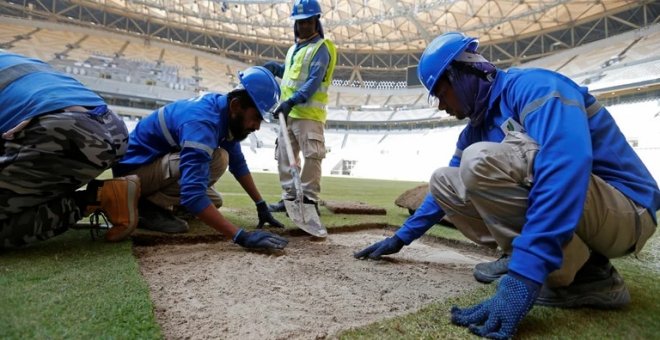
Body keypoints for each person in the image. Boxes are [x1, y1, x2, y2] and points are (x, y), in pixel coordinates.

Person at [354, 32, 659, 338]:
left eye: (440, 92)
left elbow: (566, 167)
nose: (440, 106)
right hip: (590, 211)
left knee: (479, 160)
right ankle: (558, 260)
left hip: (628, 212)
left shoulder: (534, 87)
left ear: (461, 76)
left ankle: (588, 275)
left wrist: (524, 275)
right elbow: (443, 195)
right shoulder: (476, 128)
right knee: (444, 181)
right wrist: (402, 238)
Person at [112, 66, 288, 251]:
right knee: (218, 159)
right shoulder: (202, 123)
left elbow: (238, 164)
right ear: (236, 105)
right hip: (131, 177)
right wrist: (241, 236)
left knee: (213, 201)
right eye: (255, 118)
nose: (257, 127)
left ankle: (156, 205)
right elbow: (192, 194)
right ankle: (143, 205)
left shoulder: (224, 113)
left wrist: (261, 205)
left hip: (149, 167)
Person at [0, 51, 140, 248]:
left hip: (62, 132)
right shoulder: (16, 57)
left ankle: (95, 199)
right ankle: (102, 194)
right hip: (112, 126)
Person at [263, 0, 337, 215]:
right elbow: (290, 73)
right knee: (284, 156)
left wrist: (290, 102)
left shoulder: (321, 49)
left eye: (307, 22)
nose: (303, 26)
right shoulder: (294, 49)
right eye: (299, 22)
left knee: (312, 157)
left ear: (316, 21)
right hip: (289, 113)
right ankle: (289, 198)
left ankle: (309, 199)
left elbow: (312, 82)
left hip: (308, 116)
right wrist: (275, 68)